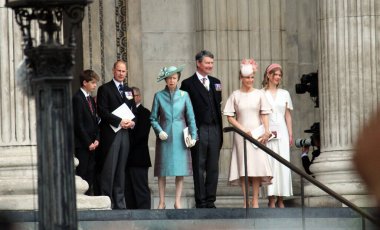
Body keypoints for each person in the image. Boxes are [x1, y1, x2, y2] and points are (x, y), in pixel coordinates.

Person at [223, 58, 273, 208]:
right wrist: (242, 129)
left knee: (256, 167)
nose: (250, 80)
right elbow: (229, 116)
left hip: (257, 134)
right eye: (247, 77)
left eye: (252, 77)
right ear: (241, 78)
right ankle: (245, 200)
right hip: (242, 135)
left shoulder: (259, 94)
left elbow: (264, 113)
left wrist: (266, 130)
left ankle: (256, 201)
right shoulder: (235, 95)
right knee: (244, 167)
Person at [180, 50, 223, 209]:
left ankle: (211, 200)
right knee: (199, 166)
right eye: (207, 63)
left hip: (215, 128)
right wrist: (191, 131)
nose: (210, 66)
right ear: (198, 63)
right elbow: (184, 109)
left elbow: (217, 104)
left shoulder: (216, 82)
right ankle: (201, 201)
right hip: (198, 128)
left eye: (211, 63)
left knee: (213, 166)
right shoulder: (187, 84)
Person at [150, 65, 197, 209]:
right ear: (165, 79)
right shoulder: (158, 96)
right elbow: (153, 118)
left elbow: (191, 118)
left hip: (180, 136)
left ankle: (178, 201)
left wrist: (194, 136)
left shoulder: (184, 95)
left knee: (180, 170)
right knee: (162, 171)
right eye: (169, 78)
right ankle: (162, 201)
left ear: (178, 79)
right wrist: (159, 131)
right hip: (165, 136)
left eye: (174, 78)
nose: (171, 80)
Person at [97, 60, 136, 209]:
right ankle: (107, 202)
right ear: (113, 70)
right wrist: (119, 121)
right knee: (109, 169)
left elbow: (134, 111)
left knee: (121, 169)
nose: (121, 74)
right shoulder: (104, 89)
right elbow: (102, 111)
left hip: (125, 133)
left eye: (123, 71)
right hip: (111, 133)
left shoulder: (129, 90)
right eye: (119, 71)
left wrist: (132, 122)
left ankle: (120, 203)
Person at [261, 63, 293, 208]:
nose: (278, 78)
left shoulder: (285, 93)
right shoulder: (261, 93)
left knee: (282, 164)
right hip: (267, 132)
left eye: (280, 75)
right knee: (270, 164)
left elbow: (288, 115)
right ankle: (271, 198)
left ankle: (281, 198)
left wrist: (290, 134)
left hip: (282, 132)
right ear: (269, 75)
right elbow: (260, 114)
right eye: (276, 75)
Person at [72, 69, 100, 195]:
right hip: (83, 145)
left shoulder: (90, 99)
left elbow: (96, 121)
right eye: (93, 82)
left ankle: (89, 198)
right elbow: (78, 124)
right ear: (84, 82)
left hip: (93, 145)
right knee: (82, 173)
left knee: (90, 174)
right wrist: (88, 143)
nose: (95, 85)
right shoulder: (77, 98)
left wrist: (97, 139)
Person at [125, 87, 152, 209]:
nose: (132, 98)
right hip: (126, 158)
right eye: (130, 96)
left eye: (134, 95)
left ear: (139, 97)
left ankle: (145, 216)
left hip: (139, 158)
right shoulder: (125, 112)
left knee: (141, 189)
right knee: (128, 191)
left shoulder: (145, 112)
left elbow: (142, 135)